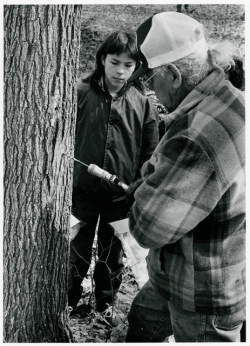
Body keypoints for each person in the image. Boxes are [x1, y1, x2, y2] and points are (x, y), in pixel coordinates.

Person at [125, 12, 245, 342]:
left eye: (149, 81)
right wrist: (153, 183)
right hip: (175, 274)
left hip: (203, 292)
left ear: (174, 76)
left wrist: (141, 194)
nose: (149, 91)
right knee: (142, 322)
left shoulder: (197, 135)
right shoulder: (228, 97)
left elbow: (149, 227)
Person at [68, 31, 159, 317]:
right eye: (114, 62)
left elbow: (150, 150)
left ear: (137, 67)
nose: (120, 71)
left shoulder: (142, 101)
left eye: (128, 65)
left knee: (114, 255)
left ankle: (105, 305)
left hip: (120, 195)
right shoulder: (80, 91)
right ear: (102, 60)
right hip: (79, 191)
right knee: (76, 251)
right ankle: (67, 301)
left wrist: (138, 186)